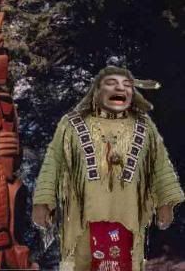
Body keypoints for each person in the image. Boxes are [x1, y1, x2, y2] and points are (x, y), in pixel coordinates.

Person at [32, 65, 184, 271]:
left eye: (127, 85)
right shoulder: (71, 125)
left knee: (127, 262)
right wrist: (43, 202)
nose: (120, 88)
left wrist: (165, 203)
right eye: (111, 83)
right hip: (82, 216)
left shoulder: (144, 126)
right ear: (96, 91)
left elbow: (160, 165)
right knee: (79, 263)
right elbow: (53, 162)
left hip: (128, 213)